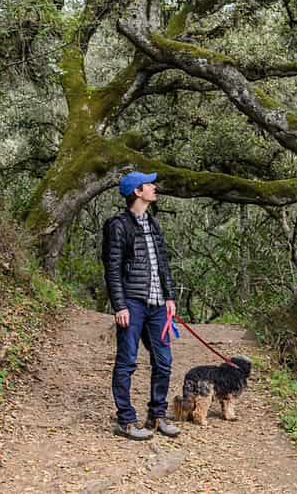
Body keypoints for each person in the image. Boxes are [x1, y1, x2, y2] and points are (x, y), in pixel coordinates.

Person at [103, 170, 181, 440]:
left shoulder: (153, 224)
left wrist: (169, 297)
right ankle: (126, 420)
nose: (154, 187)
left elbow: (163, 265)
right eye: (150, 184)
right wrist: (119, 306)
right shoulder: (117, 225)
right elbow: (112, 269)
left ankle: (157, 416)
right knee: (127, 361)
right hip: (132, 304)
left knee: (164, 361)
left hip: (158, 305)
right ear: (137, 191)